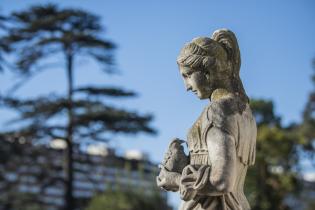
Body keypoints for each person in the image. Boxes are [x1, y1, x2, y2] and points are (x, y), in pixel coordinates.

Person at [157, 29, 257, 210]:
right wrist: (186, 163)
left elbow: (222, 182)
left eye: (187, 75)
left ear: (207, 70)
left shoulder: (218, 110)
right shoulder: (244, 112)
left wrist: (176, 180)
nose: (186, 86)